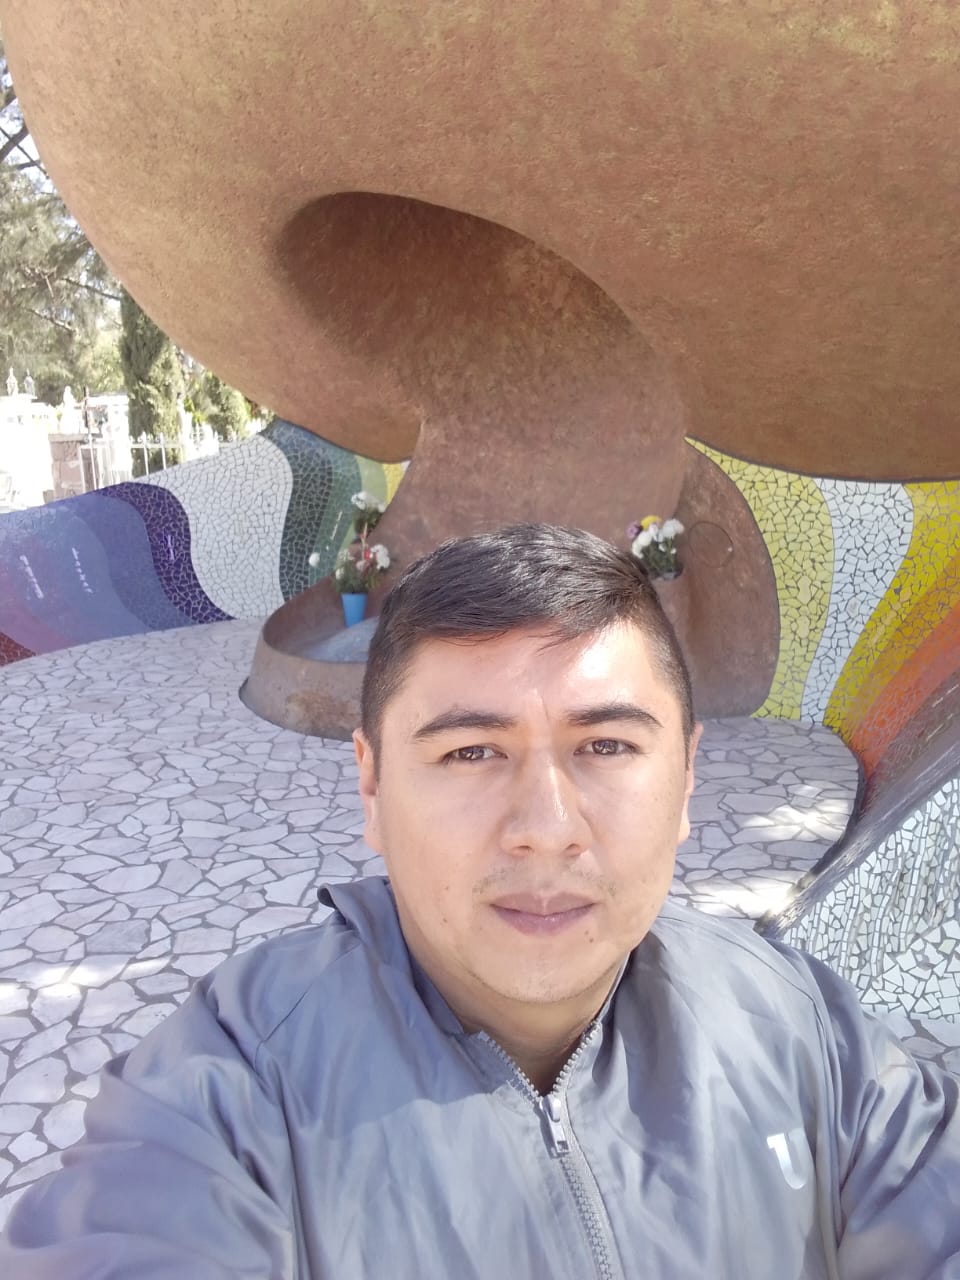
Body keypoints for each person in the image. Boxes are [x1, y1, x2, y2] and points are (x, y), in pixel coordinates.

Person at [2, 523, 959, 1278]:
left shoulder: (801, 1032)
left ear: (687, 778)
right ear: (372, 786)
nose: (546, 828)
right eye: (470, 752)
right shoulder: (233, 1091)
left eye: (608, 746)